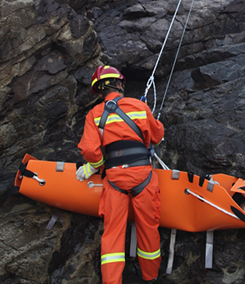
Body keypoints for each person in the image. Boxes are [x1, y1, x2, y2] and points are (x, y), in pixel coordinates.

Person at [75, 65, 164, 284]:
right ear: (120, 84)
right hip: (143, 176)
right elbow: (157, 136)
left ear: (99, 92)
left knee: (112, 233)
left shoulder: (94, 115)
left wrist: (92, 166)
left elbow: (90, 150)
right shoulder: (138, 106)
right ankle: (150, 277)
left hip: (114, 179)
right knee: (148, 228)